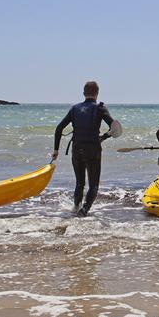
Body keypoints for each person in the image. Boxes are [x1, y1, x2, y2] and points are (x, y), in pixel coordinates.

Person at [51, 80, 118, 216]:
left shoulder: (74, 108)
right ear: (97, 93)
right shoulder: (100, 108)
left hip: (76, 148)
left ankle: (75, 208)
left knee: (79, 183)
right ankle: (84, 211)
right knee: (93, 184)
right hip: (92, 149)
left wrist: (56, 150)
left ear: (83, 93)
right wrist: (104, 137)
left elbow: (59, 128)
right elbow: (115, 127)